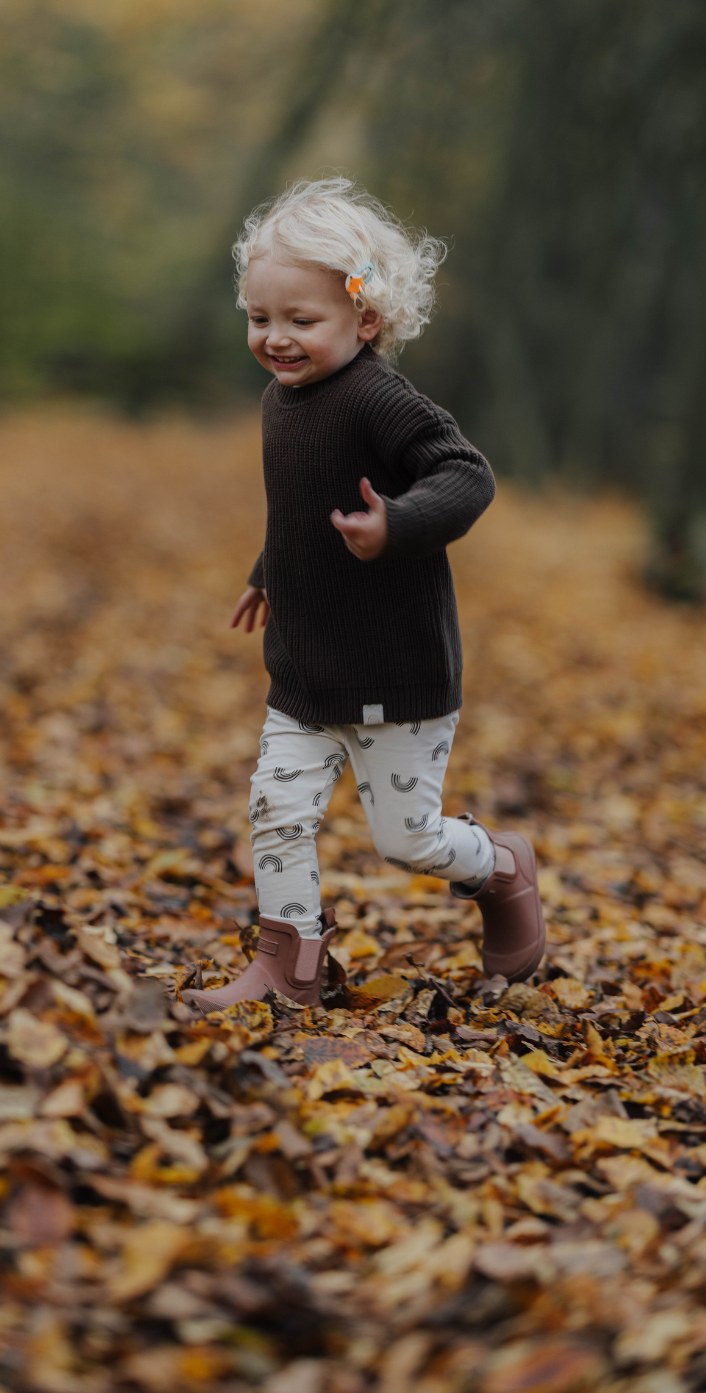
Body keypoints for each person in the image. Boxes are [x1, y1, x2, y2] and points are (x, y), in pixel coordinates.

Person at [183, 177, 544, 1015]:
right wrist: (267, 572)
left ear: (366, 319)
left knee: (407, 841)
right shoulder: (284, 401)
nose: (276, 339)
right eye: (260, 318)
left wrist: (401, 523)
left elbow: (467, 475)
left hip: (395, 670)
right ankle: (287, 966)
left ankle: (502, 866)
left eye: (300, 321)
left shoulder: (380, 398)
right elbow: (303, 507)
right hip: (306, 672)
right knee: (276, 807)